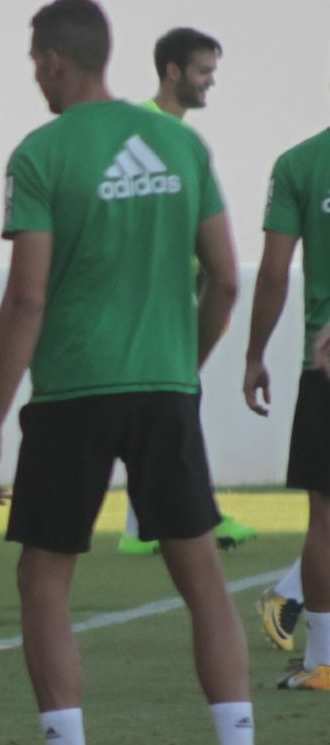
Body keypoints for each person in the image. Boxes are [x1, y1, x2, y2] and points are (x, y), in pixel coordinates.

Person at [0, 0, 289, 745]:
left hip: (72, 394)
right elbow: (225, 279)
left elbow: (27, 298)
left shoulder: (39, 154)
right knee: (203, 578)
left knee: (44, 580)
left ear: (52, 60)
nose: (34, 75)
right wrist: (183, 366)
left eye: (34, 62)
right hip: (163, 392)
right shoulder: (182, 145)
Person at [117, 27, 259, 556]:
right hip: (150, 301)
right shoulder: (148, 130)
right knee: (168, 407)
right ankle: (186, 520)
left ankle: (149, 526)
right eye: (204, 71)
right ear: (173, 72)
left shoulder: (178, 137)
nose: (210, 81)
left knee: (167, 410)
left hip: (178, 294)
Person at [243, 116, 330, 689]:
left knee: (325, 515)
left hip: (322, 364)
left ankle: (323, 659)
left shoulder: (299, 163)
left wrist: (254, 355)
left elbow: (274, 273)